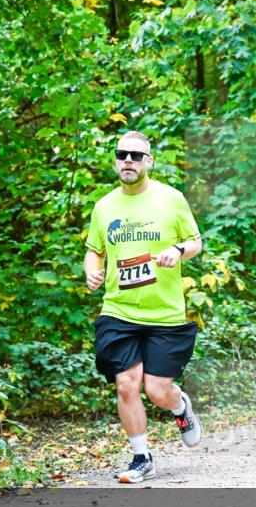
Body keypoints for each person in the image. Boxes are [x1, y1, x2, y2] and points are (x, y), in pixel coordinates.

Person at [84, 131, 204, 484]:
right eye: (122, 155)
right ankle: (141, 457)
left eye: (137, 156)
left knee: (157, 389)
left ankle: (180, 407)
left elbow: (195, 241)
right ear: (115, 160)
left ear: (149, 161)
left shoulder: (171, 199)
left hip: (164, 313)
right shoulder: (104, 207)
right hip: (119, 310)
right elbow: (94, 249)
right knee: (126, 384)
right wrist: (92, 270)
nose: (129, 161)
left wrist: (178, 251)